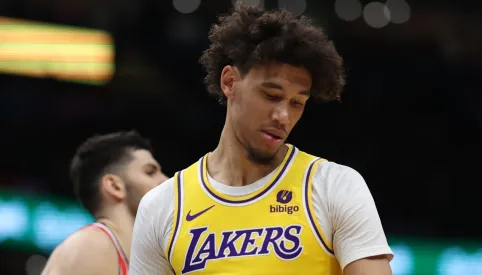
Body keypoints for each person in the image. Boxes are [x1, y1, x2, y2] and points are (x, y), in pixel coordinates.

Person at [129, 4, 393, 275]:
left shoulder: (334, 187)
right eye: (271, 95)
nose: (283, 116)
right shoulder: (162, 206)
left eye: (297, 103)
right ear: (229, 81)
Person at [42, 131, 168, 275]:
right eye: (150, 172)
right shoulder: (91, 245)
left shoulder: (147, 261)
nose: (165, 180)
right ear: (115, 186)